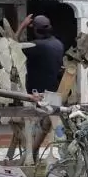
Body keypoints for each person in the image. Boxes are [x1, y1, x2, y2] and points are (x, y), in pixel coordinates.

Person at [18, 14, 65, 158]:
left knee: (32, 126)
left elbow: (12, 45)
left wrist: (22, 25)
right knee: (57, 125)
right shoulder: (58, 44)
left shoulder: (35, 46)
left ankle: (31, 156)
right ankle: (65, 154)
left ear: (36, 30)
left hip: (35, 95)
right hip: (54, 92)